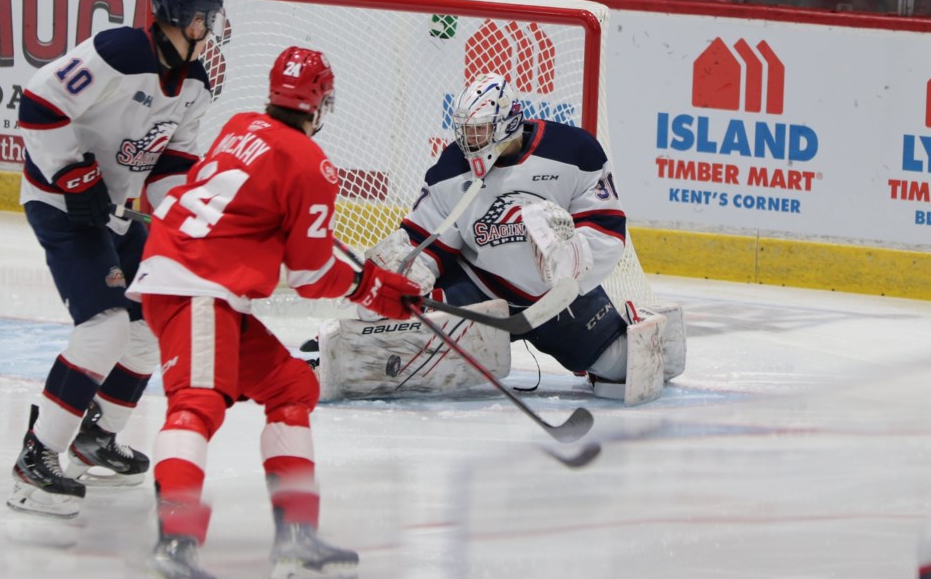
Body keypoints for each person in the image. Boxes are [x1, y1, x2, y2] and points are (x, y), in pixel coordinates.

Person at [126, 45, 421, 579]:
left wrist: (364, 280)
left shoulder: (241, 124)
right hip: (196, 286)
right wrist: (372, 288)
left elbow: (262, 223)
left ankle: (296, 537)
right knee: (196, 403)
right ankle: (175, 544)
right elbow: (308, 277)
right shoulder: (311, 164)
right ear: (321, 103)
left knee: (292, 388)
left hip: (190, 277)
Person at [8, 0, 226, 518]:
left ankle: (95, 437)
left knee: (154, 319)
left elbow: (171, 165)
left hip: (110, 212)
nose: (212, 26)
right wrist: (72, 172)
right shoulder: (119, 52)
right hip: (59, 202)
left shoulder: (196, 85)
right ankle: (37, 457)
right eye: (205, 16)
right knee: (104, 328)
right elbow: (39, 102)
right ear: (175, 15)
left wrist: (186, 216)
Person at [342, 72, 686, 403]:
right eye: (465, 131)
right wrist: (402, 274)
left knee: (622, 372)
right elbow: (428, 236)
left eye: (478, 131)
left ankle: (633, 324)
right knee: (399, 327)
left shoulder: (573, 150)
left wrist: (571, 257)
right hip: (481, 290)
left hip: (559, 300)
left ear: (507, 122)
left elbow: (607, 228)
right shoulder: (451, 169)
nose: (469, 142)